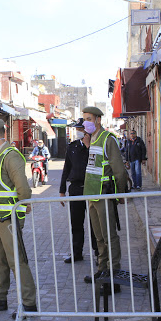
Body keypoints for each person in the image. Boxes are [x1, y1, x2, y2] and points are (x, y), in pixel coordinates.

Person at [0, 119, 37, 318]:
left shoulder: (11, 156)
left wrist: (24, 205)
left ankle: (28, 304)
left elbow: (23, 187)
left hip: (9, 219)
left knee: (16, 261)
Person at [81, 107, 128, 296]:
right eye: (84, 119)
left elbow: (119, 170)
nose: (85, 123)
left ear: (98, 120)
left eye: (89, 119)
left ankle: (113, 278)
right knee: (98, 238)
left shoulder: (108, 139)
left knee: (110, 237)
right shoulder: (92, 139)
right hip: (92, 196)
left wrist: (120, 195)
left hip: (104, 195)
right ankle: (102, 271)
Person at [59, 118, 98, 264]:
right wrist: (62, 191)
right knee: (76, 223)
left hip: (92, 188)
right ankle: (77, 253)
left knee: (94, 224)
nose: (78, 132)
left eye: (80, 130)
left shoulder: (94, 146)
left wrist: (89, 147)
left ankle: (98, 253)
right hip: (75, 189)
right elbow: (66, 168)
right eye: (77, 130)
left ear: (87, 131)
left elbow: (96, 163)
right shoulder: (72, 147)